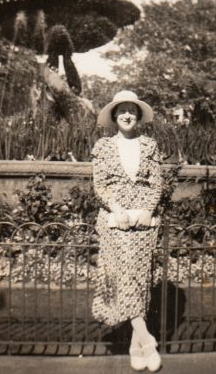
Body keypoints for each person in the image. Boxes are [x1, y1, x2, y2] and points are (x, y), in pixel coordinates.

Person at [91, 90, 163, 372]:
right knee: (123, 273)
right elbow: (100, 185)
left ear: (138, 115)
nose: (127, 115)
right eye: (122, 110)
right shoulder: (102, 147)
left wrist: (147, 210)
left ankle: (135, 344)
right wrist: (117, 209)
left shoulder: (150, 146)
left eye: (132, 110)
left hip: (144, 220)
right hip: (114, 218)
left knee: (139, 274)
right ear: (114, 115)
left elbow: (156, 184)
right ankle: (147, 340)